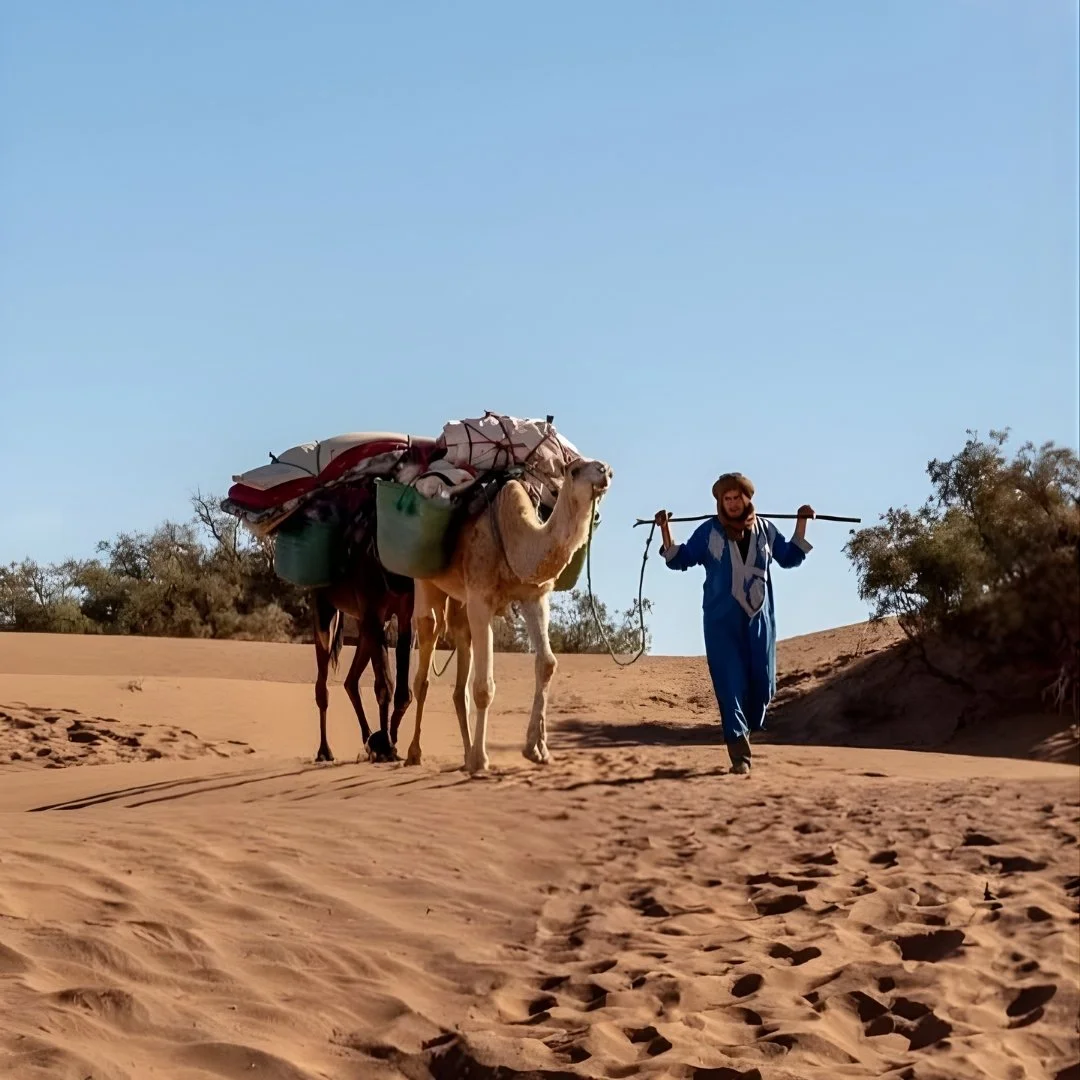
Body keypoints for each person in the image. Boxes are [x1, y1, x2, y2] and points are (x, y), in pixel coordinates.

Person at [654, 473, 814, 775]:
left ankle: (747, 728)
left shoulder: (766, 530)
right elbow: (680, 559)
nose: (732, 504)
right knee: (729, 683)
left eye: (736, 498)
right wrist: (666, 530)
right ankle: (739, 751)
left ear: (747, 499)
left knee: (762, 683)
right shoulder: (709, 532)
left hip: (760, 620)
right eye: (726, 499)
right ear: (719, 502)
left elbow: (790, 557)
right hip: (720, 621)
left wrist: (801, 521)